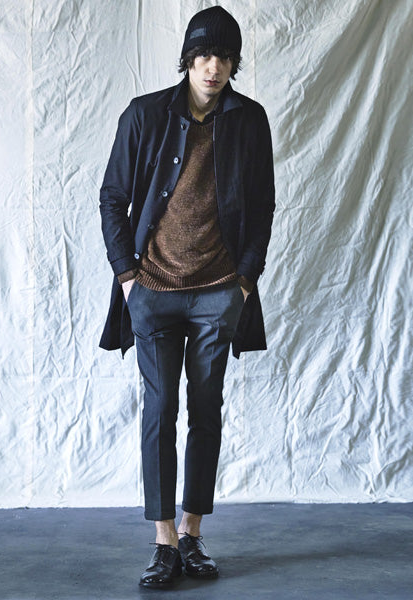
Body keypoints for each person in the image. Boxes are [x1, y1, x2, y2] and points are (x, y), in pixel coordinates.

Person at [99, 5, 275, 589]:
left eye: (224, 56)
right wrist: (128, 278)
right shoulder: (145, 114)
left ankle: (193, 533)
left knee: (206, 409)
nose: (213, 66)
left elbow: (263, 206)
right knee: (159, 411)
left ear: (234, 62)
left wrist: (244, 281)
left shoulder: (250, 120)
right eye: (203, 55)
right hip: (153, 291)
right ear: (187, 58)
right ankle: (164, 542)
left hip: (217, 294)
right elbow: (112, 198)